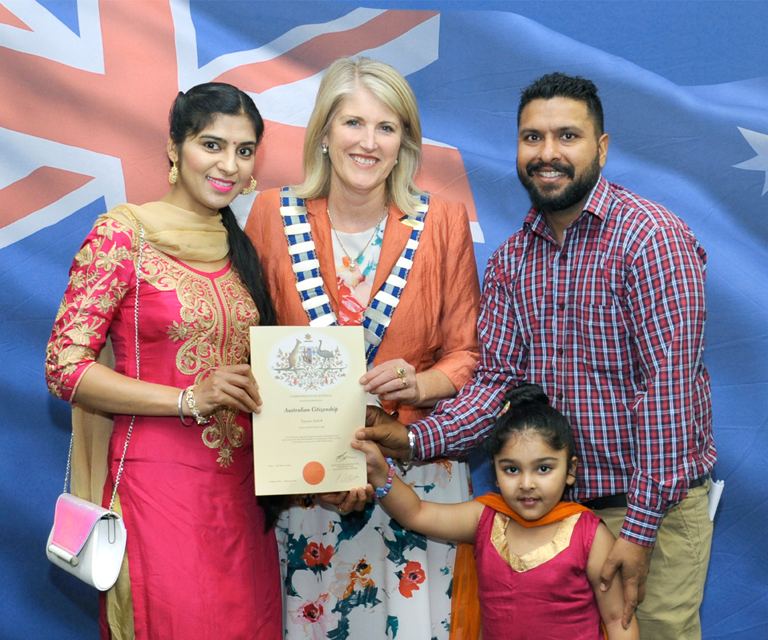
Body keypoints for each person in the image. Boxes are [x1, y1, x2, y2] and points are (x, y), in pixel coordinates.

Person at [361, 72, 715, 640]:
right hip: (543, 511)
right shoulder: (510, 262)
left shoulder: (652, 240)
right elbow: (494, 385)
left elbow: (667, 395)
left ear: (601, 147)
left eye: (567, 136)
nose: (547, 153)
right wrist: (410, 440)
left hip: (647, 509)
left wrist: (641, 531)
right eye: (532, 138)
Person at [244, 57, 480, 639]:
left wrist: (420, 384)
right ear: (324, 132)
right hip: (310, 482)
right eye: (352, 123)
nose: (368, 142)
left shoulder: (444, 221)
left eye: (386, 127)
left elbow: (469, 354)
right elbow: (249, 351)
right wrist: (309, 473)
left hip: (415, 477)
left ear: (405, 143)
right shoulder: (273, 215)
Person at [45, 83, 282, 639]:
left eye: (244, 151)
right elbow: (65, 367)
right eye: (212, 144)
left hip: (242, 501)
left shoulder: (242, 251)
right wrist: (187, 398)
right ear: (175, 149)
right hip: (157, 493)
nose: (229, 165)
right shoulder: (123, 235)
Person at [354, 384, 640, 640]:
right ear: (495, 470)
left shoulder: (590, 536)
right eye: (512, 469)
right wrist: (380, 473)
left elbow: (618, 621)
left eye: (543, 468)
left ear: (570, 470)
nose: (527, 484)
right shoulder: (486, 518)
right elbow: (416, 513)